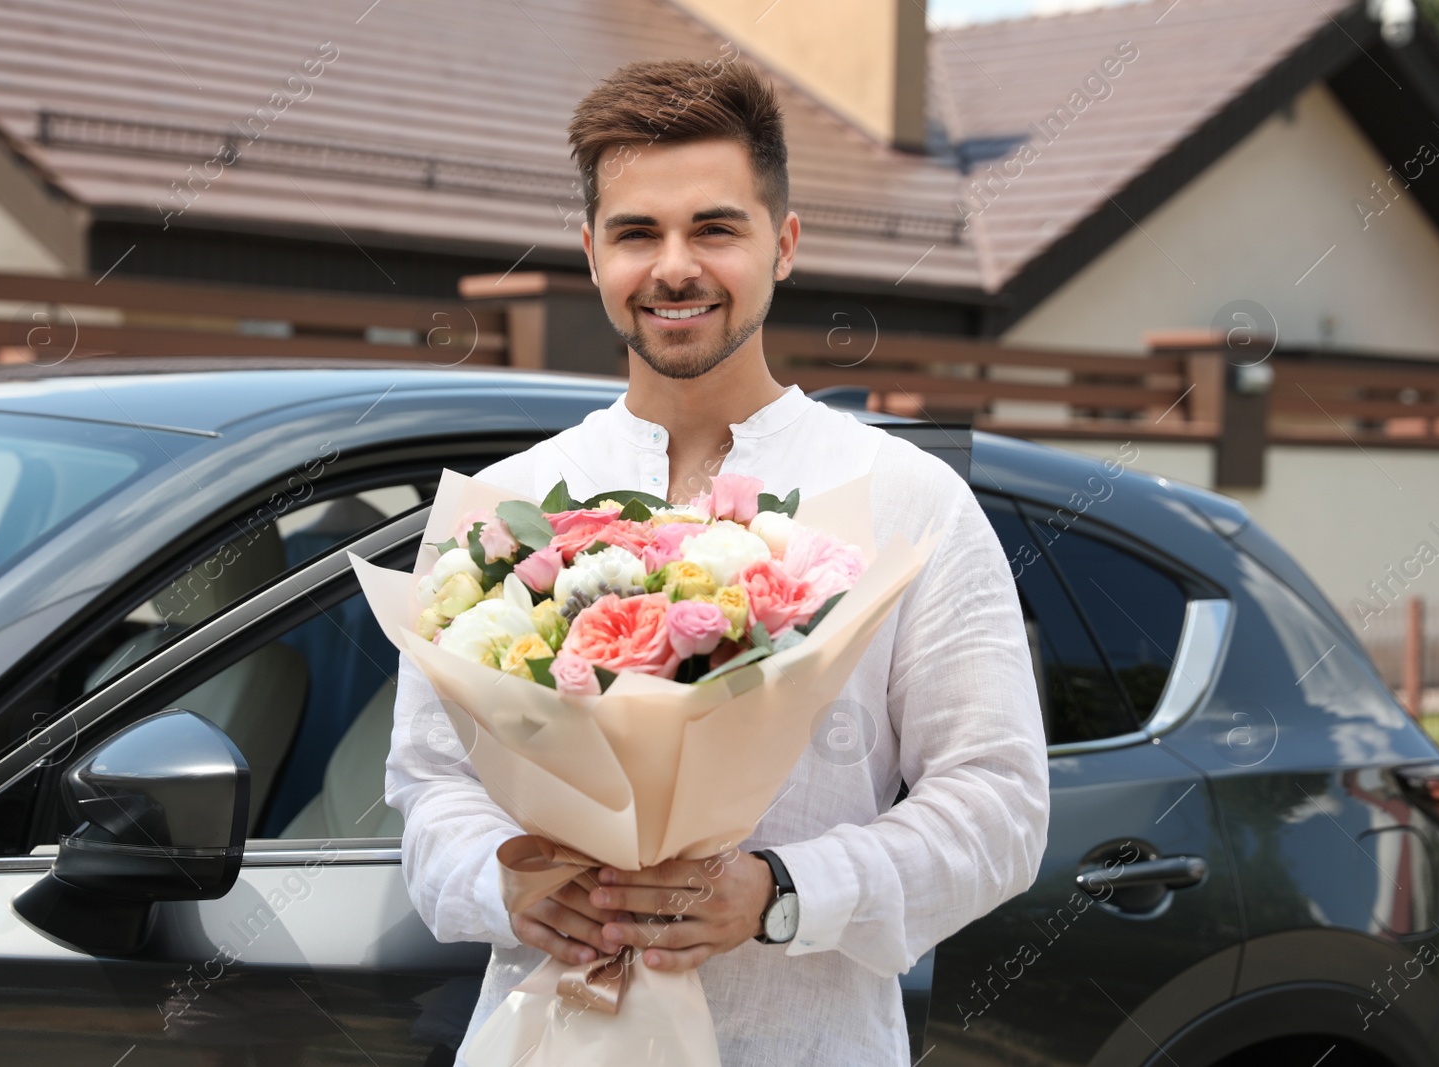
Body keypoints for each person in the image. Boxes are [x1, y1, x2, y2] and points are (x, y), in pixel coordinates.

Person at [385, 56, 1050, 1066]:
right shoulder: (503, 510)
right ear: (590, 251)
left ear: (782, 245)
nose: (674, 266)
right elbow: (429, 787)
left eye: (714, 227)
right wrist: (506, 878)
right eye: (636, 232)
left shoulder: (908, 502)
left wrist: (782, 891)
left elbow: (997, 804)